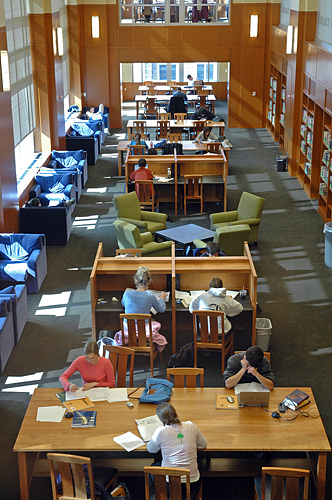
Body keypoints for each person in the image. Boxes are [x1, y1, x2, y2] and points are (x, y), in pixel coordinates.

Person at [147, 402, 207, 499]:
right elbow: (203, 445)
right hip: (192, 482)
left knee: (153, 467)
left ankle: (159, 496)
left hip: (168, 484)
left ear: (160, 418)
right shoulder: (191, 426)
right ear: (176, 413)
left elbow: (151, 450)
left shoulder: (160, 431)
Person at [115, 266, 168, 351]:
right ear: (148, 281)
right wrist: (162, 298)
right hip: (144, 330)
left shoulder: (127, 293)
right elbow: (162, 309)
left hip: (128, 328)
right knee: (154, 321)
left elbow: (123, 303)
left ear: (135, 280)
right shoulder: (150, 296)